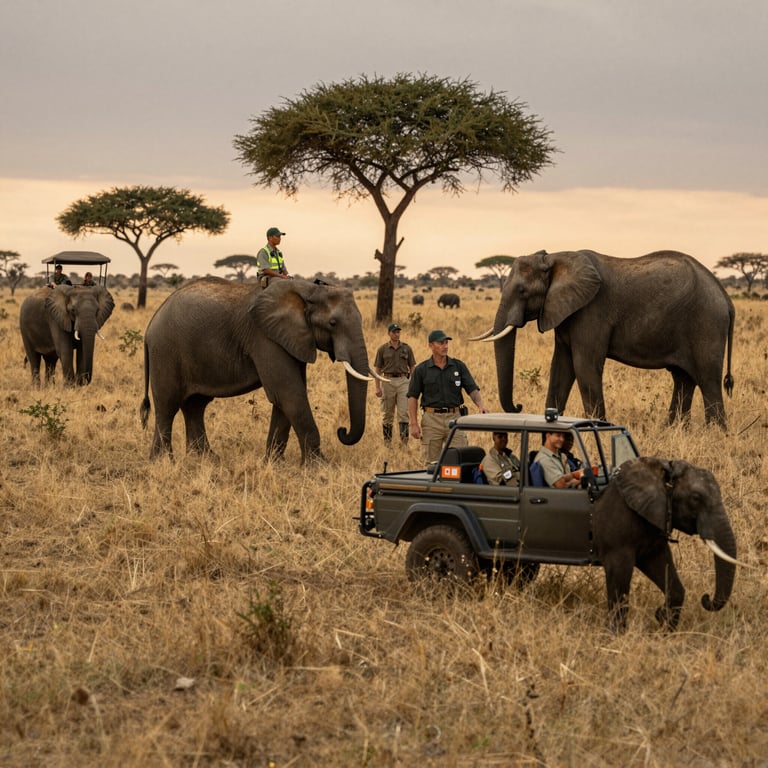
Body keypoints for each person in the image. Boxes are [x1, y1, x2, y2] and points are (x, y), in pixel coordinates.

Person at [407, 329, 488, 464]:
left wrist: (481, 406)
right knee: (430, 463)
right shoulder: (421, 369)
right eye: (441, 343)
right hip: (431, 420)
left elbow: (472, 389)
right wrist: (414, 424)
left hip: (455, 418)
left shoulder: (458, 366)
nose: (445, 346)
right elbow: (412, 397)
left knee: (460, 460)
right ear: (431, 346)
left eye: (446, 343)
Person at [374, 323, 416, 444]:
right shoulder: (382, 349)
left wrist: (414, 385)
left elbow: (412, 367)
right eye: (394, 332)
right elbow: (377, 369)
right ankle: (387, 443)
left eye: (398, 332)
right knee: (387, 413)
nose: (397, 334)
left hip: (403, 381)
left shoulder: (407, 348)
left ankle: (404, 443)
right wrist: (377, 387)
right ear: (389, 334)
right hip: (387, 381)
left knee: (403, 413)